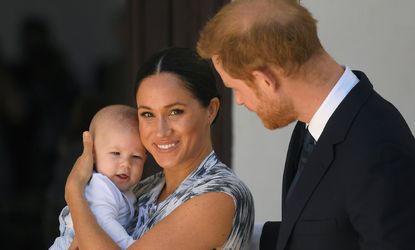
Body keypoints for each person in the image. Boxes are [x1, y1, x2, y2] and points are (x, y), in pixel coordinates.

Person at [197, 0, 415, 250]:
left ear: (265, 80)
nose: (240, 101)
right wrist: (227, 234)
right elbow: (324, 231)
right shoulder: (315, 123)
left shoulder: (378, 152)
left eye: (236, 88)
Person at [64, 47, 255, 249]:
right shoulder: (143, 189)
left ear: (211, 110)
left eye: (175, 112)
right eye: (147, 114)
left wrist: (74, 191)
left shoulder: (219, 196)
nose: (161, 131)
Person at [50, 104, 146, 249]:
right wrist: (131, 245)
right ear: (93, 155)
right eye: (115, 153)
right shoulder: (100, 186)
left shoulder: (124, 190)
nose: (126, 164)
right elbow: (104, 223)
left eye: (136, 156)